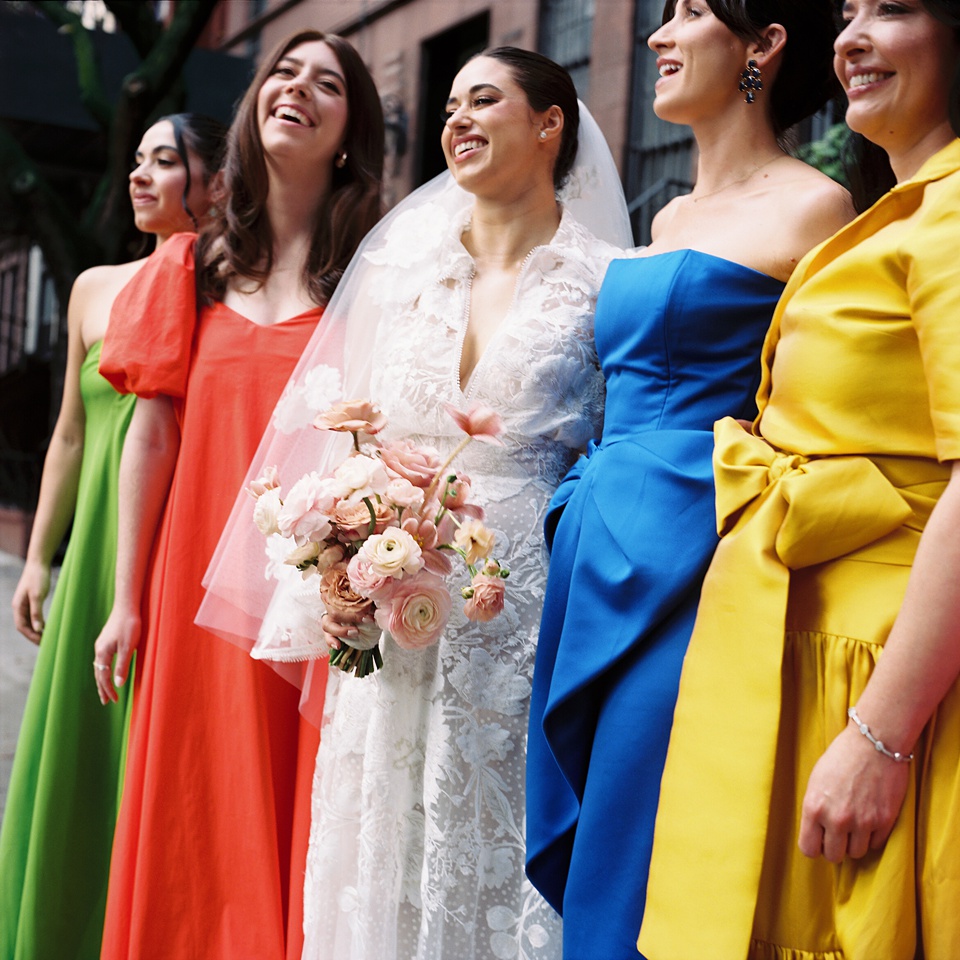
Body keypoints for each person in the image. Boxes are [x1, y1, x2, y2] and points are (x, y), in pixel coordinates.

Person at [200, 46, 633, 960]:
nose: (458, 121)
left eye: (485, 100)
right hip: (396, 614)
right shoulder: (400, 271)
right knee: (380, 840)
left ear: (550, 125)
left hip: (528, 616)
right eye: (448, 106)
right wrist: (338, 554)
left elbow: (617, 452)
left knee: (501, 841)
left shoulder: (604, 283)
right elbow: (340, 436)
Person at [524, 3, 854, 958]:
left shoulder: (815, 207)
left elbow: (807, 405)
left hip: (693, 555)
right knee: (597, 831)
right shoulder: (664, 213)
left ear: (763, 45)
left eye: (691, 14)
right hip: (595, 542)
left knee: (645, 825)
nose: (662, 37)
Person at [637, 2, 960, 958]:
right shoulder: (896, 212)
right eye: (846, 13)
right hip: (797, 654)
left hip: (878, 673)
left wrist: (882, 735)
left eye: (890, 9)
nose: (850, 36)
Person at [91, 32, 383, 960]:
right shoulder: (193, 268)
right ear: (258, 105)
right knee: (188, 803)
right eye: (284, 73)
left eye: (326, 82)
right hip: (189, 592)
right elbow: (153, 433)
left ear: (348, 132)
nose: (297, 88)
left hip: (308, 595)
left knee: (292, 814)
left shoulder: (373, 285)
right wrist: (127, 601)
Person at [0, 114, 224, 960]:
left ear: (216, 185)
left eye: (165, 163)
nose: (139, 177)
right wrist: (37, 558)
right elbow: (67, 433)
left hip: (176, 550)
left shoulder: (229, 290)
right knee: (77, 746)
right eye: (137, 161)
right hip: (95, 550)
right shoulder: (94, 284)